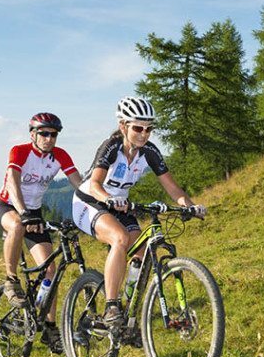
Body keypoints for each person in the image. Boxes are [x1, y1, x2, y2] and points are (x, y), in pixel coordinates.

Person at [71, 96, 206, 340]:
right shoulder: (112, 147)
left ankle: (128, 310)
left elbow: (173, 188)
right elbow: (95, 184)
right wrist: (109, 199)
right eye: (138, 128)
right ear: (123, 126)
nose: (144, 134)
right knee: (120, 239)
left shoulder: (150, 152)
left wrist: (190, 206)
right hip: (88, 202)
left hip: (121, 206)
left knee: (143, 252)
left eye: (148, 129)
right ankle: (112, 306)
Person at [0, 112, 82, 352]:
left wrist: (96, 204)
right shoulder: (20, 151)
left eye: (53, 134)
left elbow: (79, 183)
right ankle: (11, 279)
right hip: (10, 206)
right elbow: (12, 181)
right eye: (44, 133)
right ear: (33, 134)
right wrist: (23, 212)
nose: (49, 138)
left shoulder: (60, 155)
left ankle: (50, 326)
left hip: (35, 212)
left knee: (50, 270)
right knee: (16, 226)